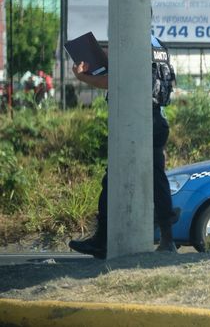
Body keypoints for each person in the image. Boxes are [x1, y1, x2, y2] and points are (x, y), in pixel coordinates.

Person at [68, 35, 177, 259]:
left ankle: (102, 241)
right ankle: (167, 239)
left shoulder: (132, 42)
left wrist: (83, 77)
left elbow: (116, 81)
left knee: (113, 177)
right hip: (157, 119)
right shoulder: (158, 45)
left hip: (136, 118)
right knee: (157, 178)